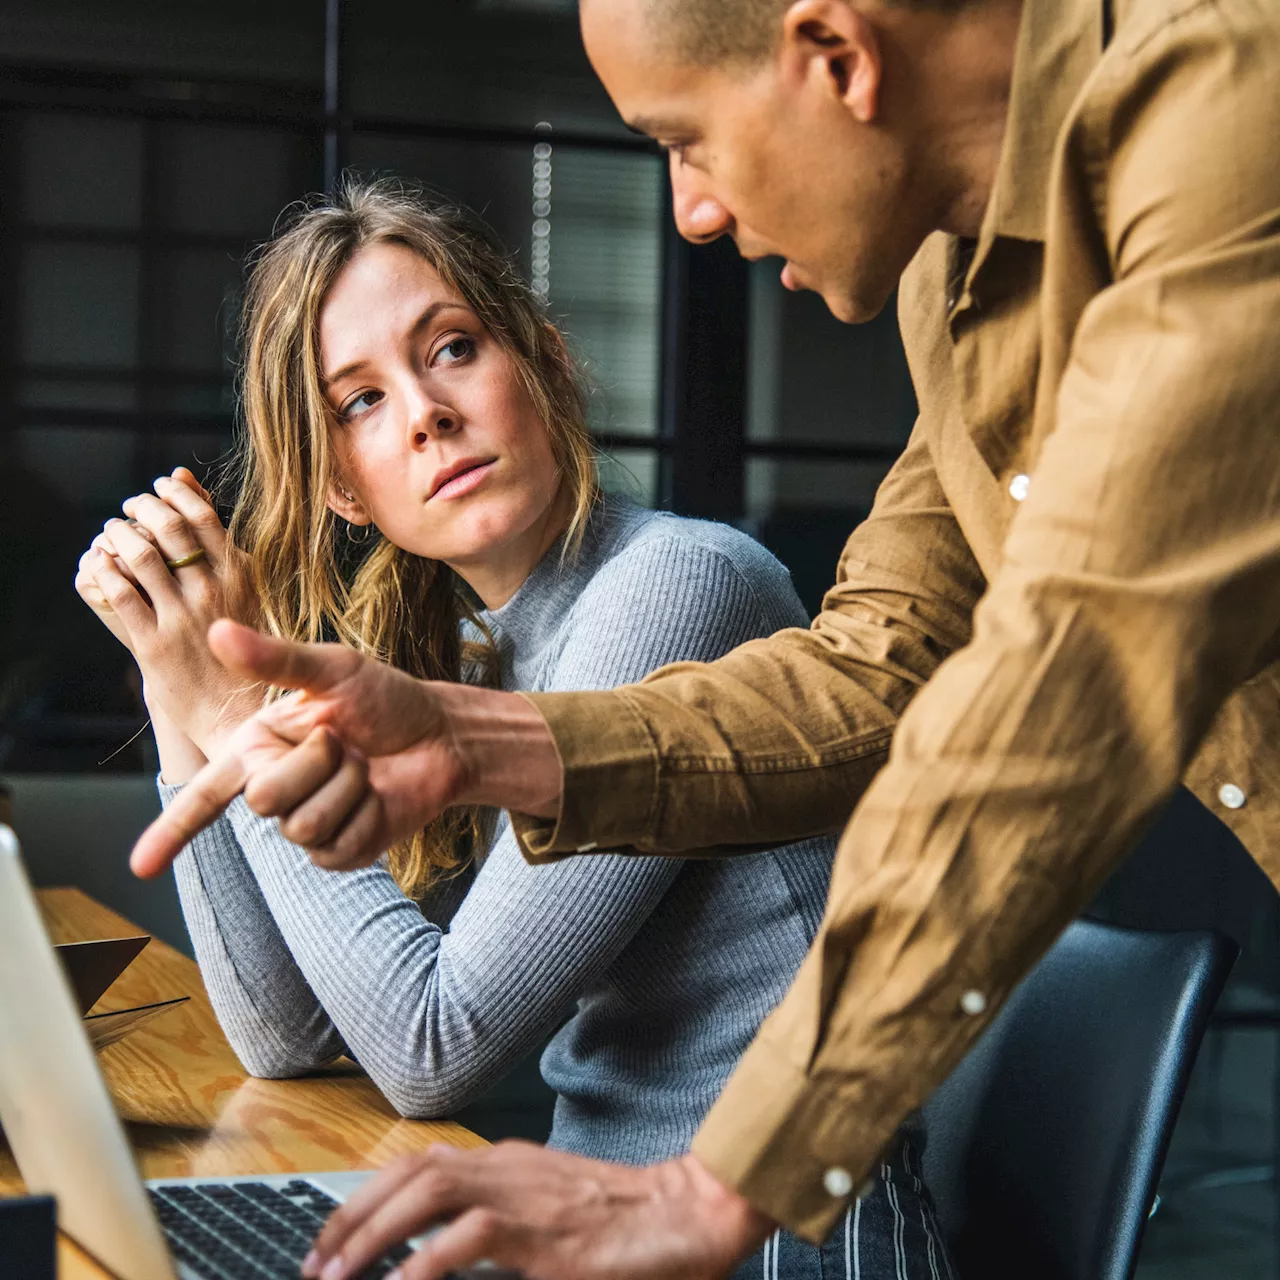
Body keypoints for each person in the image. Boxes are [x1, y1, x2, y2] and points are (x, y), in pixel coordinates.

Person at [129, 0, 1280, 1272]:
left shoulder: (1224, 116)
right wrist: (471, 734)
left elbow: (1068, 674)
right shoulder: (952, 285)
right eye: (359, 403)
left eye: (685, 139)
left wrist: (728, 1179)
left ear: (832, 56)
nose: (691, 210)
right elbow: (873, 669)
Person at [77, 180, 953, 1279]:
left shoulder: (676, 585)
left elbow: (428, 1045)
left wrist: (238, 716)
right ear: (346, 491)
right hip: (598, 1230)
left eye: (449, 349)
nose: (423, 413)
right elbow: (284, 1038)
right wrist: (178, 688)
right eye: (358, 403)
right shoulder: (472, 645)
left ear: (542, 361)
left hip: (777, 1242)